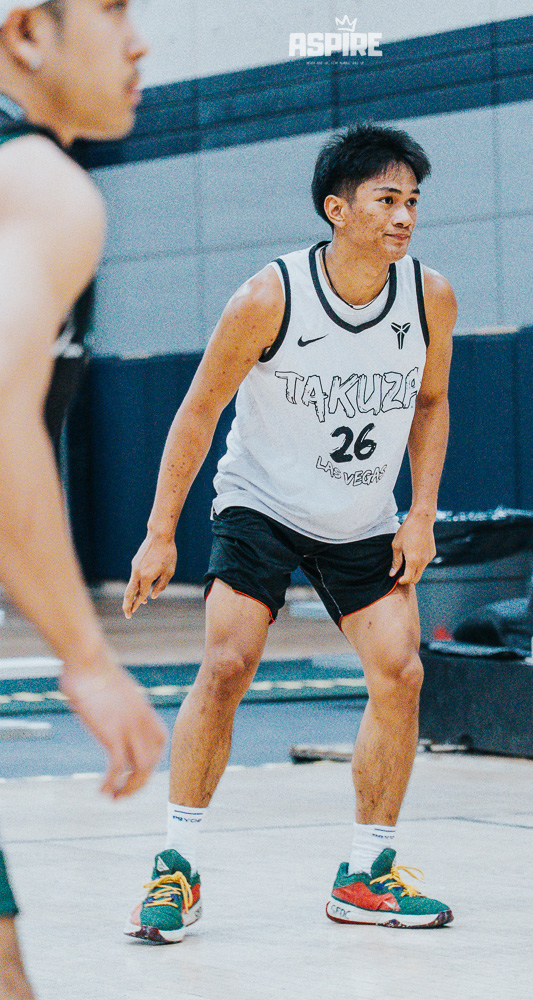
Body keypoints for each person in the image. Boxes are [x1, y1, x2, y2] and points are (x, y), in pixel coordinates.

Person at [124, 124, 457, 943]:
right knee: (228, 662)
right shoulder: (267, 298)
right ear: (336, 209)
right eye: (387, 199)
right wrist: (160, 532)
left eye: (412, 201)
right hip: (262, 505)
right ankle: (175, 865)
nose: (404, 216)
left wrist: (420, 513)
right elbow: (198, 410)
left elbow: (430, 402)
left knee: (400, 673)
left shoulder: (429, 296)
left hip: (362, 516)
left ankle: (366, 874)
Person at [0, 3, 166, 996]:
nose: (138, 40)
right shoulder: (41, 184)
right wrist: (87, 655)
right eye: (110, 9)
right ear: (28, 35)